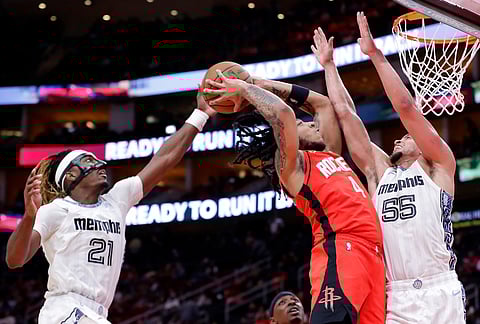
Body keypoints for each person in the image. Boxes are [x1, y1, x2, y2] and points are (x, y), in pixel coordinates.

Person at [5, 92, 216, 324]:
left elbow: (164, 158)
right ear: (71, 175)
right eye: (89, 161)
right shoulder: (56, 210)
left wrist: (201, 115)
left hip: (97, 312)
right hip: (65, 309)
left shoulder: (117, 200)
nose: (100, 164)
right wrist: (29, 217)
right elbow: (16, 260)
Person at [311, 11, 465, 323]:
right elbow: (344, 113)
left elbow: (406, 108)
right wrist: (329, 67)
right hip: (397, 293)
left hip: (440, 288)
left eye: (407, 137)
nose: (399, 139)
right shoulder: (379, 172)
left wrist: (375, 55)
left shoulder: (438, 167)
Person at [205, 71, 385, 324]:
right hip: (341, 249)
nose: (312, 124)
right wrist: (246, 90)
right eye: (304, 125)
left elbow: (321, 103)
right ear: (290, 140)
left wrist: (258, 82)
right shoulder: (291, 167)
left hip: (373, 254)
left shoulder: (331, 154)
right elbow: (284, 115)